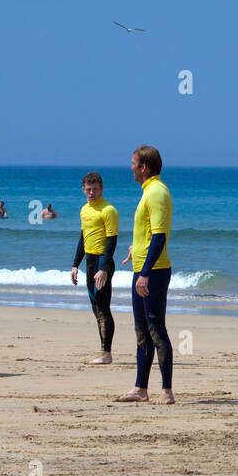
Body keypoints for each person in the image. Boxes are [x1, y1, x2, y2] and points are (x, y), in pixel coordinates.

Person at [119, 146, 175, 403]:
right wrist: (135, 249)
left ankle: (167, 391)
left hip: (153, 273)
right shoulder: (147, 192)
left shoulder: (157, 193)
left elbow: (160, 236)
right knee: (141, 330)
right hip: (140, 269)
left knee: (156, 330)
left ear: (144, 167)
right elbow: (148, 234)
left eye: (133, 163)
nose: (130, 167)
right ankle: (141, 388)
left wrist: (145, 272)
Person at [70, 172, 120, 365]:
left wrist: (105, 268)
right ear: (83, 189)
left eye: (95, 189)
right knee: (95, 307)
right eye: (88, 190)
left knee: (103, 307)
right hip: (90, 263)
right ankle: (103, 350)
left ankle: (106, 353)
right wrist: (75, 264)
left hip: (101, 262)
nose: (91, 193)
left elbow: (112, 242)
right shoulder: (84, 210)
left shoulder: (108, 210)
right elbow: (83, 239)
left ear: (102, 189)